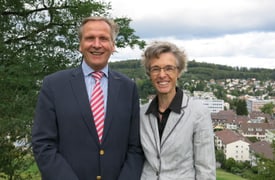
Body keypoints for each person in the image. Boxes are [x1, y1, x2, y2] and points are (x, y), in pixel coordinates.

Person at [32, 16, 144, 180]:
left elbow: (135, 148)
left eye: (104, 39)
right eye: (90, 38)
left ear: (113, 46)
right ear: (80, 45)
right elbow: (43, 144)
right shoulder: (54, 85)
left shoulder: (129, 88)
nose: (97, 44)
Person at [140, 41, 216, 180]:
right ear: (149, 74)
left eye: (169, 68)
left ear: (179, 72)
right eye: (155, 69)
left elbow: (205, 170)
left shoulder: (198, 113)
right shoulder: (141, 114)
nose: (162, 75)